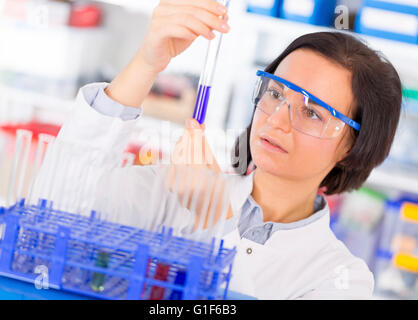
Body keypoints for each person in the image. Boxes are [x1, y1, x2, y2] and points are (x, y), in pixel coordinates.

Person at [33, 0, 402, 299]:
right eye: (275, 93)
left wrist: (215, 221)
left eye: (311, 113)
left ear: (353, 146)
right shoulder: (174, 188)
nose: (276, 121)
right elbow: (52, 213)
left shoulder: (340, 278)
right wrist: (148, 61)